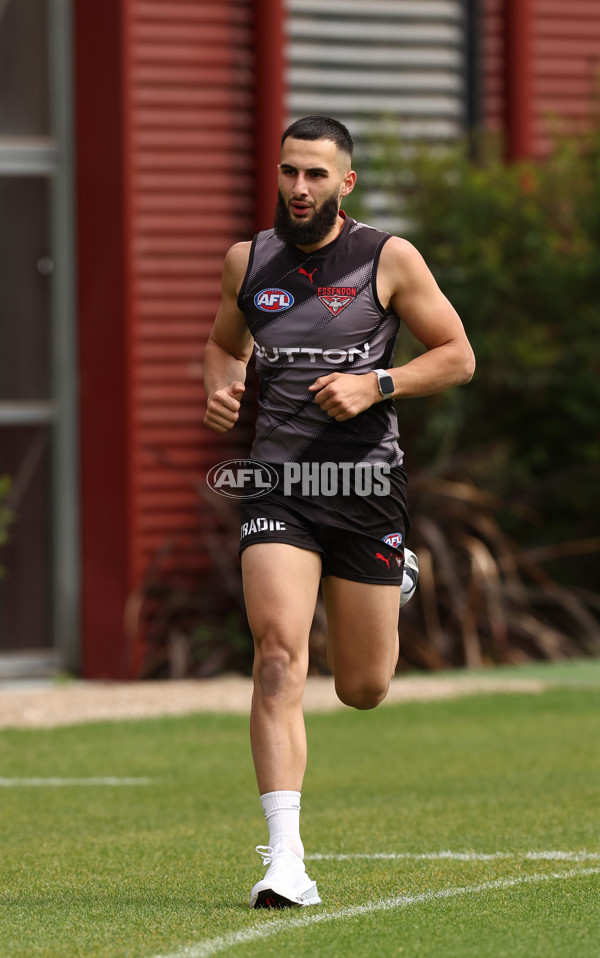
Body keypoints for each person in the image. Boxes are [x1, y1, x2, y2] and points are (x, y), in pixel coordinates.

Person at [203, 116, 475, 909]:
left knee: (363, 687)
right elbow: (223, 346)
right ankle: (285, 859)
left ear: (345, 183)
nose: (299, 187)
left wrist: (377, 383)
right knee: (278, 656)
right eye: (290, 171)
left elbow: (457, 356)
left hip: (365, 489)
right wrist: (220, 387)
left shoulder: (388, 258)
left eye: (316, 174)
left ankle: (397, 579)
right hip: (278, 487)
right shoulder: (248, 261)